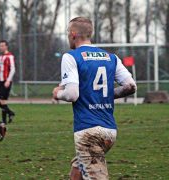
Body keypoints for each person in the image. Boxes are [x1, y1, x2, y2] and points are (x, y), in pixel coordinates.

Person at [52, 17, 137, 179]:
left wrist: (57, 94)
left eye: (68, 33)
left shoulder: (71, 57)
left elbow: (71, 94)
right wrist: (106, 95)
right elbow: (131, 86)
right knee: (77, 170)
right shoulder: (111, 57)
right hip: (109, 131)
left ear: (73, 34)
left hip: (88, 131)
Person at [0, 40, 16, 124]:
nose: (1, 47)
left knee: (3, 101)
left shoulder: (10, 56)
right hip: (0, 81)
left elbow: (13, 69)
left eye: (3, 46)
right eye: (0, 46)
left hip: (6, 81)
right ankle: (10, 113)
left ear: (6, 47)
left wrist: (8, 80)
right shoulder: (0, 57)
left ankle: (3, 121)